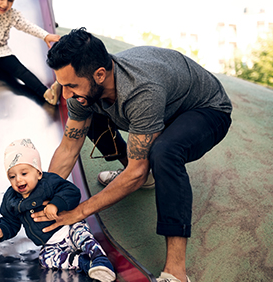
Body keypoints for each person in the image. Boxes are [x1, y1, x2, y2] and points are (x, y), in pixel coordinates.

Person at [31, 28, 232, 282]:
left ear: (100, 74)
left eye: (71, 85)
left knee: (165, 152)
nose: (67, 94)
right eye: (63, 85)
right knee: (88, 115)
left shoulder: (141, 91)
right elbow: (69, 148)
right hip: (162, 108)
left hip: (205, 109)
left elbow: (135, 174)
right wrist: (40, 198)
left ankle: (176, 272)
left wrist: (78, 212)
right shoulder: (83, 90)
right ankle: (143, 173)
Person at [0, 138, 116, 282]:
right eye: (12, 176)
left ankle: (100, 259)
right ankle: (83, 262)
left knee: (82, 236)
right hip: (51, 243)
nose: (18, 180)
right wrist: (1, 230)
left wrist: (55, 204)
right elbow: (9, 221)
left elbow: (71, 191)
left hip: (69, 227)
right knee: (45, 259)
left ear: (38, 173)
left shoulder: (48, 183)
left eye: (24, 174)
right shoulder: (11, 198)